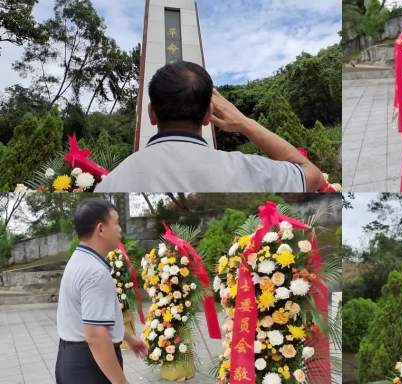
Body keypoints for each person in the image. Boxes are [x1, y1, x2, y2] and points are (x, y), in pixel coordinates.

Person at [95, 61, 324, 192]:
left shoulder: (112, 183)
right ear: (208, 115)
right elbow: (312, 175)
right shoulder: (245, 170)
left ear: (152, 114)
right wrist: (245, 122)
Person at [55, 198, 147, 384]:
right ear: (101, 229)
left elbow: (93, 320)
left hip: (71, 358)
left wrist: (128, 338)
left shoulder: (79, 259)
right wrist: (120, 382)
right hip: (89, 366)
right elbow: (96, 335)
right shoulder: (95, 272)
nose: (120, 229)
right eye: (116, 223)